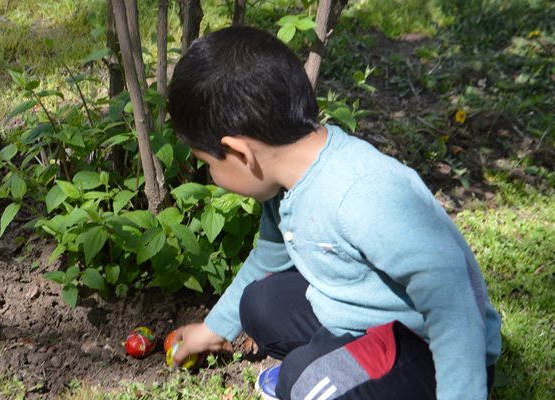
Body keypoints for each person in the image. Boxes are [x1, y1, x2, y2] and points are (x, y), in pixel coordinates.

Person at [166, 26, 501, 400]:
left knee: (302, 382)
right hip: (363, 320)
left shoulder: (361, 192)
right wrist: (212, 330)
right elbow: (267, 260)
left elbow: (450, 297)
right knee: (258, 305)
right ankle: (331, 366)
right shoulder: (284, 183)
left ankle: (328, 374)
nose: (210, 177)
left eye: (207, 163)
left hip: (429, 348)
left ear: (241, 153)